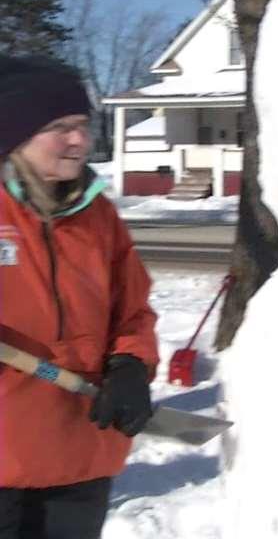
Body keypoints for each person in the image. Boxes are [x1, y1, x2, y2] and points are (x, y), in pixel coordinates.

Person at [0, 58, 159, 539]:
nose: (79, 140)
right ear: (17, 133)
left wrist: (131, 364)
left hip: (82, 448)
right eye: (60, 127)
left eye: (83, 126)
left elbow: (133, 310)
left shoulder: (98, 215)